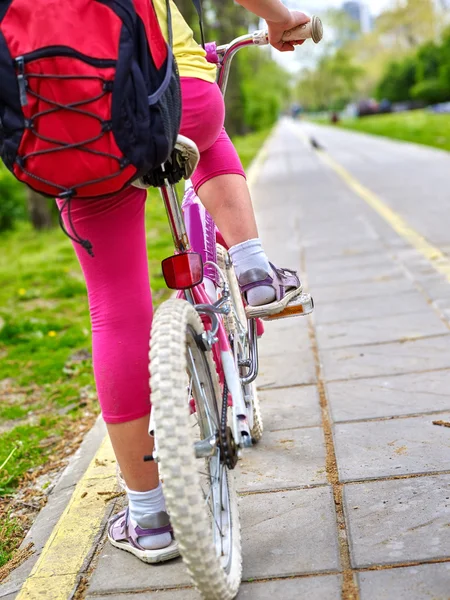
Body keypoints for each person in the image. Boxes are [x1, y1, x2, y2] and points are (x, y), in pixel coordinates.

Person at [60, 0, 311, 563]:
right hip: (170, 93)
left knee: (116, 311)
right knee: (204, 121)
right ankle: (252, 268)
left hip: (68, 125)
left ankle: (148, 519)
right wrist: (278, 17)